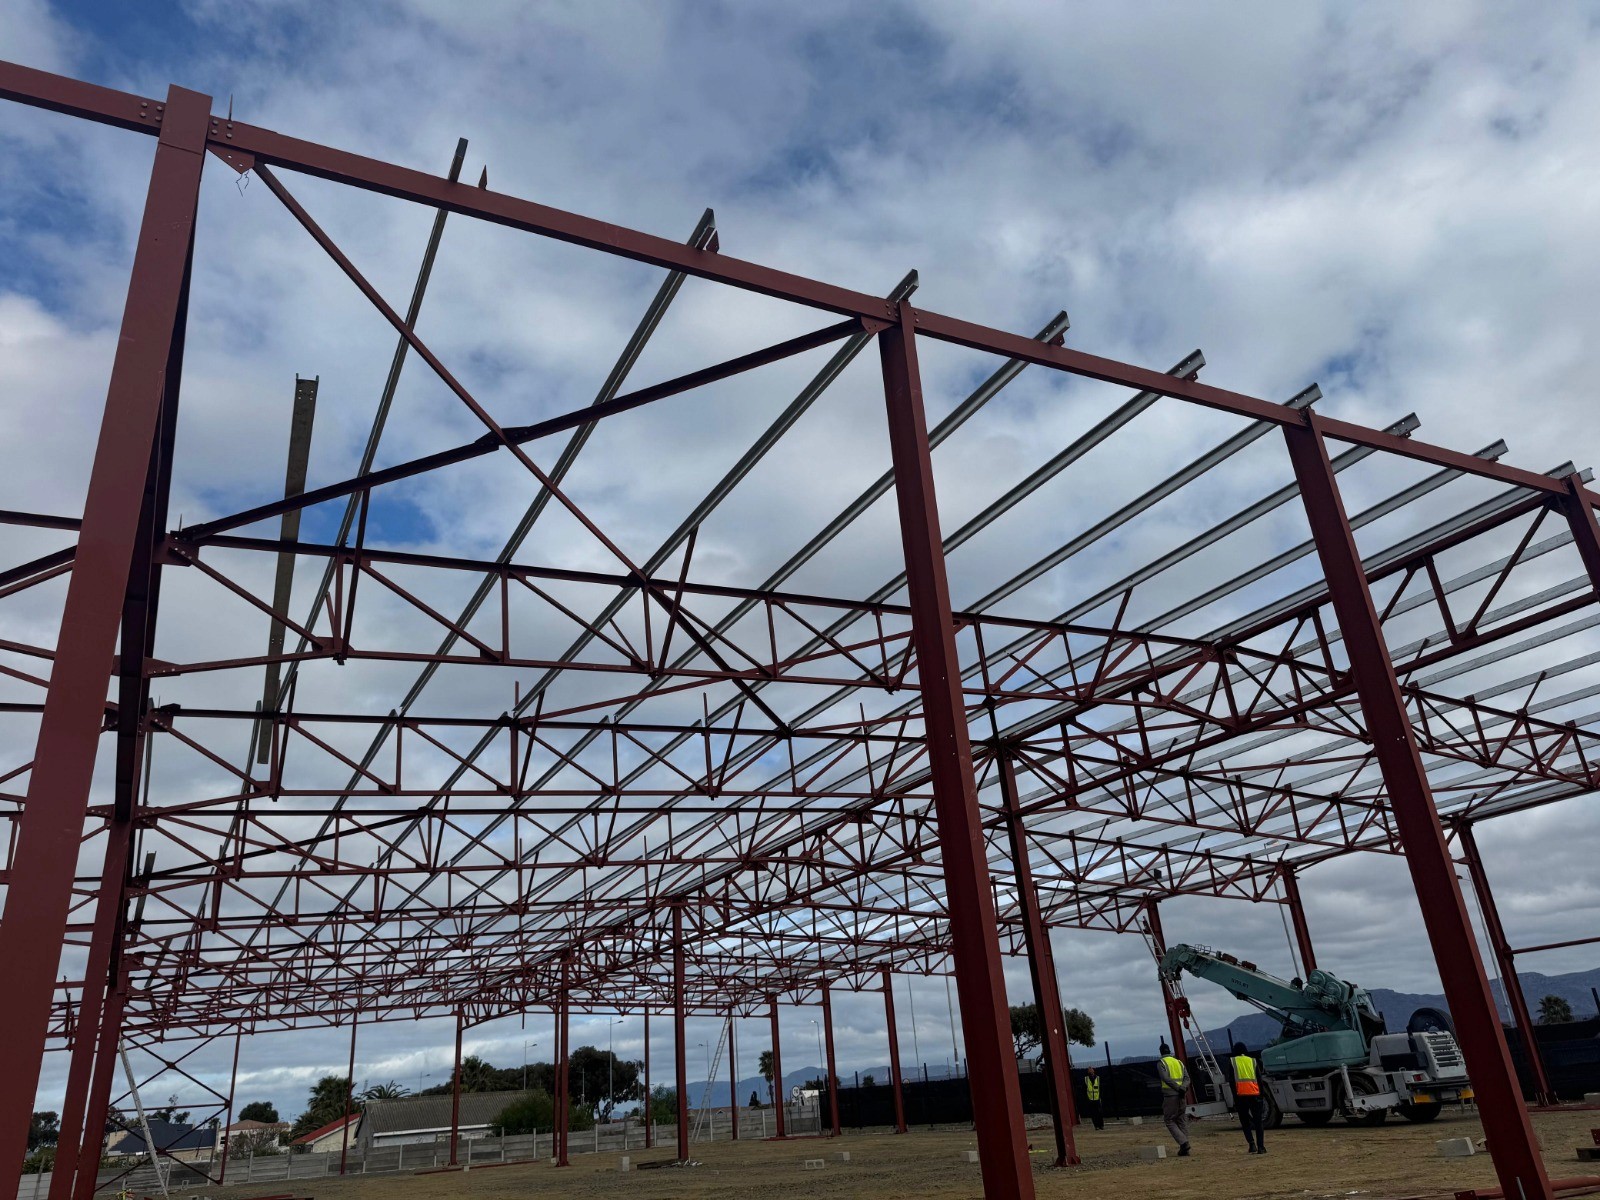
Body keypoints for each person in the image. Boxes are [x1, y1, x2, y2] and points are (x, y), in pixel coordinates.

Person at [1230, 1042, 1266, 1154]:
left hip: (1240, 1096)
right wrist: (1262, 1095)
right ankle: (1261, 1147)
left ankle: (1251, 1144)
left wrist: (1234, 1099)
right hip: (1255, 1094)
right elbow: (1259, 1079)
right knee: (1258, 1122)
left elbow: (1231, 1082)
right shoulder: (1253, 1060)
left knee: (1245, 1122)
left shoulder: (1232, 1062)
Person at [1157, 1042, 1191, 1156]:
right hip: (1182, 1095)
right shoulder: (1179, 1062)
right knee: (1181, 1119)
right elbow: (1187, 1078)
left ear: (1161, 1052)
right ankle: (1185, 1146)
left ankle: (1184, 1143)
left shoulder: (1161, 1063)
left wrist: (1177, 1088)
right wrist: (1183, 1088)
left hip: (1170, 1096)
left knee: (1169, 1120)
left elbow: (1165, 1078)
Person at [1082, 1066, 1104, 1130]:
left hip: (1097, 1099)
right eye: (1089, 1070)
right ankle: (1096, 1126)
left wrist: (1100, 1097)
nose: (1090, 1071)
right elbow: (1084, 1090)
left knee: (1099, 1113)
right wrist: (1087, 1099)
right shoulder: (1086, 1079)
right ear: (1088, 1072)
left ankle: (1101, 1125)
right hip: (1090, 1099)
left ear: (1093, 1071)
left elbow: (1101, 1088)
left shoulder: (1098, 1078)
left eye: (1091, 1070)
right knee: (1093, 1113)